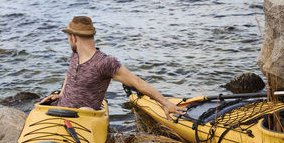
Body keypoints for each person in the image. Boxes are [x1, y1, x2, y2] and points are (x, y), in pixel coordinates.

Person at [40, 16, 186, 120]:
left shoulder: (104, 63)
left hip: (83, 119)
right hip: (59, 110)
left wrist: (166, 103)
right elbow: (70, 74)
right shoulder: (75, 54)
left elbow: (136, 82)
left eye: (68, 37)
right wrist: (62, 94)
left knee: (85, 110)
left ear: (73, 37)